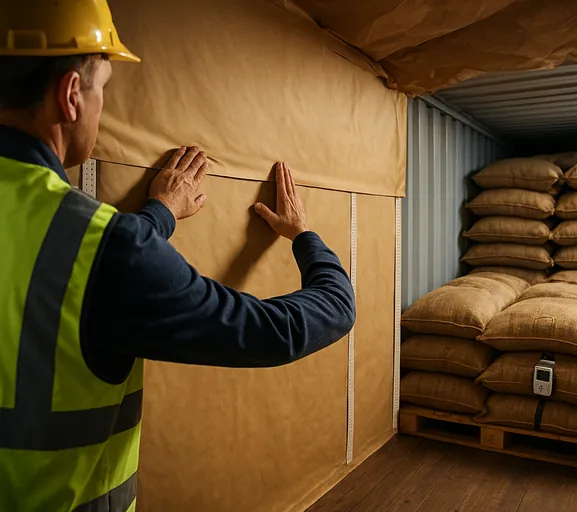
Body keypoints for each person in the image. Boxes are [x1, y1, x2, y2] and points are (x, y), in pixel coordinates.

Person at [0, 1, 356, 510]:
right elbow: (283, 330)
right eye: (103, 88)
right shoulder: (106, 248)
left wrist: (158, 216)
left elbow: (49, 260)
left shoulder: (101, 246)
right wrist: (306, 238)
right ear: (72, 96)